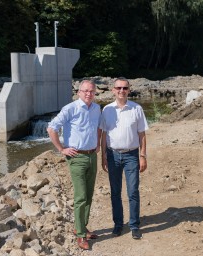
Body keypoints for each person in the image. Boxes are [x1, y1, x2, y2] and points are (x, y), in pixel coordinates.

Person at [47, 80, 101, 250]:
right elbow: (51, 128)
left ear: (95, 93)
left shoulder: (96, 108)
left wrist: (98, 144)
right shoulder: (70, 108)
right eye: (85, 91)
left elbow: (98, 127)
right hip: (76, 157)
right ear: (78, 92)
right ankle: (80, 235)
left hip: (92, 156)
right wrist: (61, 149)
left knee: (89, 194)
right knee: (80, 196)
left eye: (91, 91)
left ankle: (82, 226)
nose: (88, 94)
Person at [100, 77, 148, 240]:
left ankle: (134, 225)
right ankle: (118, 225)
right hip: (112, 155)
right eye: (118, 88)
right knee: (115, 192)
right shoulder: (106, 110)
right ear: (113, 90)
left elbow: (142, 134)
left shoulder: (136, 109)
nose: (121, 91)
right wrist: (103, 156)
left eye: (125, 88)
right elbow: (104, 134)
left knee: (133, 191)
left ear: (129, 90)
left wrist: (143, 155)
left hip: (131, 155)